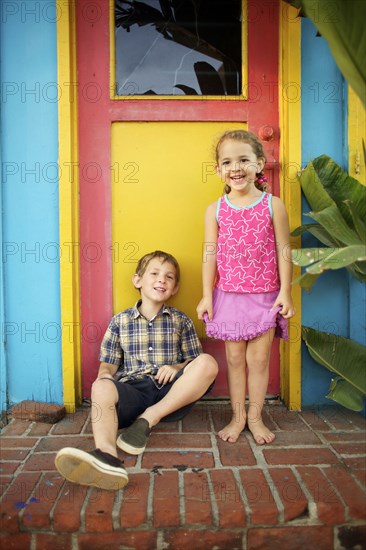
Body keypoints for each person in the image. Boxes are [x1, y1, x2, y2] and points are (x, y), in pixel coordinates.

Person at [55, 250, 218, 490]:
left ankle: (149, 418)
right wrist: (105, 385)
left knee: (208, 362)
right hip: (133, 392)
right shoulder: (119, 322)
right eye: (154, 273)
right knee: (99, 385)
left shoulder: (180, 320)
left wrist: (175, 367)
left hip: (170, 395)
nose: (162, 279)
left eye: (169, 277)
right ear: (138, 280)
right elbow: (108, 365)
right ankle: (106, 456)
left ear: (175, 289)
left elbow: (193, 360)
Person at [197, 130, 296, 445]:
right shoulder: (216, 209)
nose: (235, 167)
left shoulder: (273, 205)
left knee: (259, 361)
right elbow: (209, 254)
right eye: (227, 161)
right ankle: (238, 416)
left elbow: (284, 250)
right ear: (218, 170)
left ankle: (255, 417)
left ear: (259, 164)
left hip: (265, 297)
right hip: (228, 297)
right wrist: (205, 296)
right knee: (235, 360)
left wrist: (285, 292)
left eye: (243, 159)